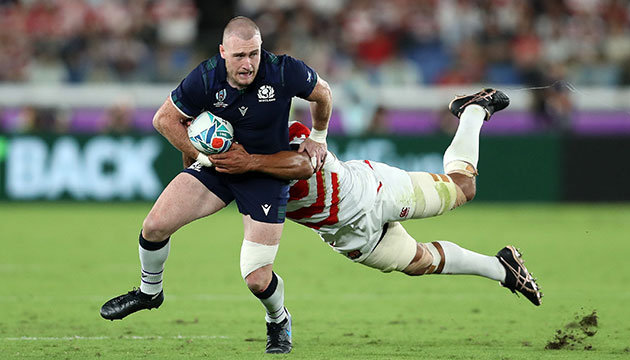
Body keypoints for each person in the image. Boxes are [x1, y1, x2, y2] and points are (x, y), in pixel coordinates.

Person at [99, 16, 333, 354]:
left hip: (266, 172)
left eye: (254, 54)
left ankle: (278, 319)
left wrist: (319, 136)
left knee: (256, 278)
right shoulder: (205, 77)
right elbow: (163, 119)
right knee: (154, 226)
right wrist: (203, 156)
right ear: (223, 51)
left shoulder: (283, 71)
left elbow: (323, 93)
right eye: (239, 55)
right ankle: (149, 292)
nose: (248, 63)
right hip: (218, 167)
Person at [208, 89, 543, 307]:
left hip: (373, 192)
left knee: (463, 188)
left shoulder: (288, 135)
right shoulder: (231, 166)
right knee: (419, 264)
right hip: (346, 235)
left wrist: (248, 163)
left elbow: (302, 166)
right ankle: (502, 267)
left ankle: (473, 111)